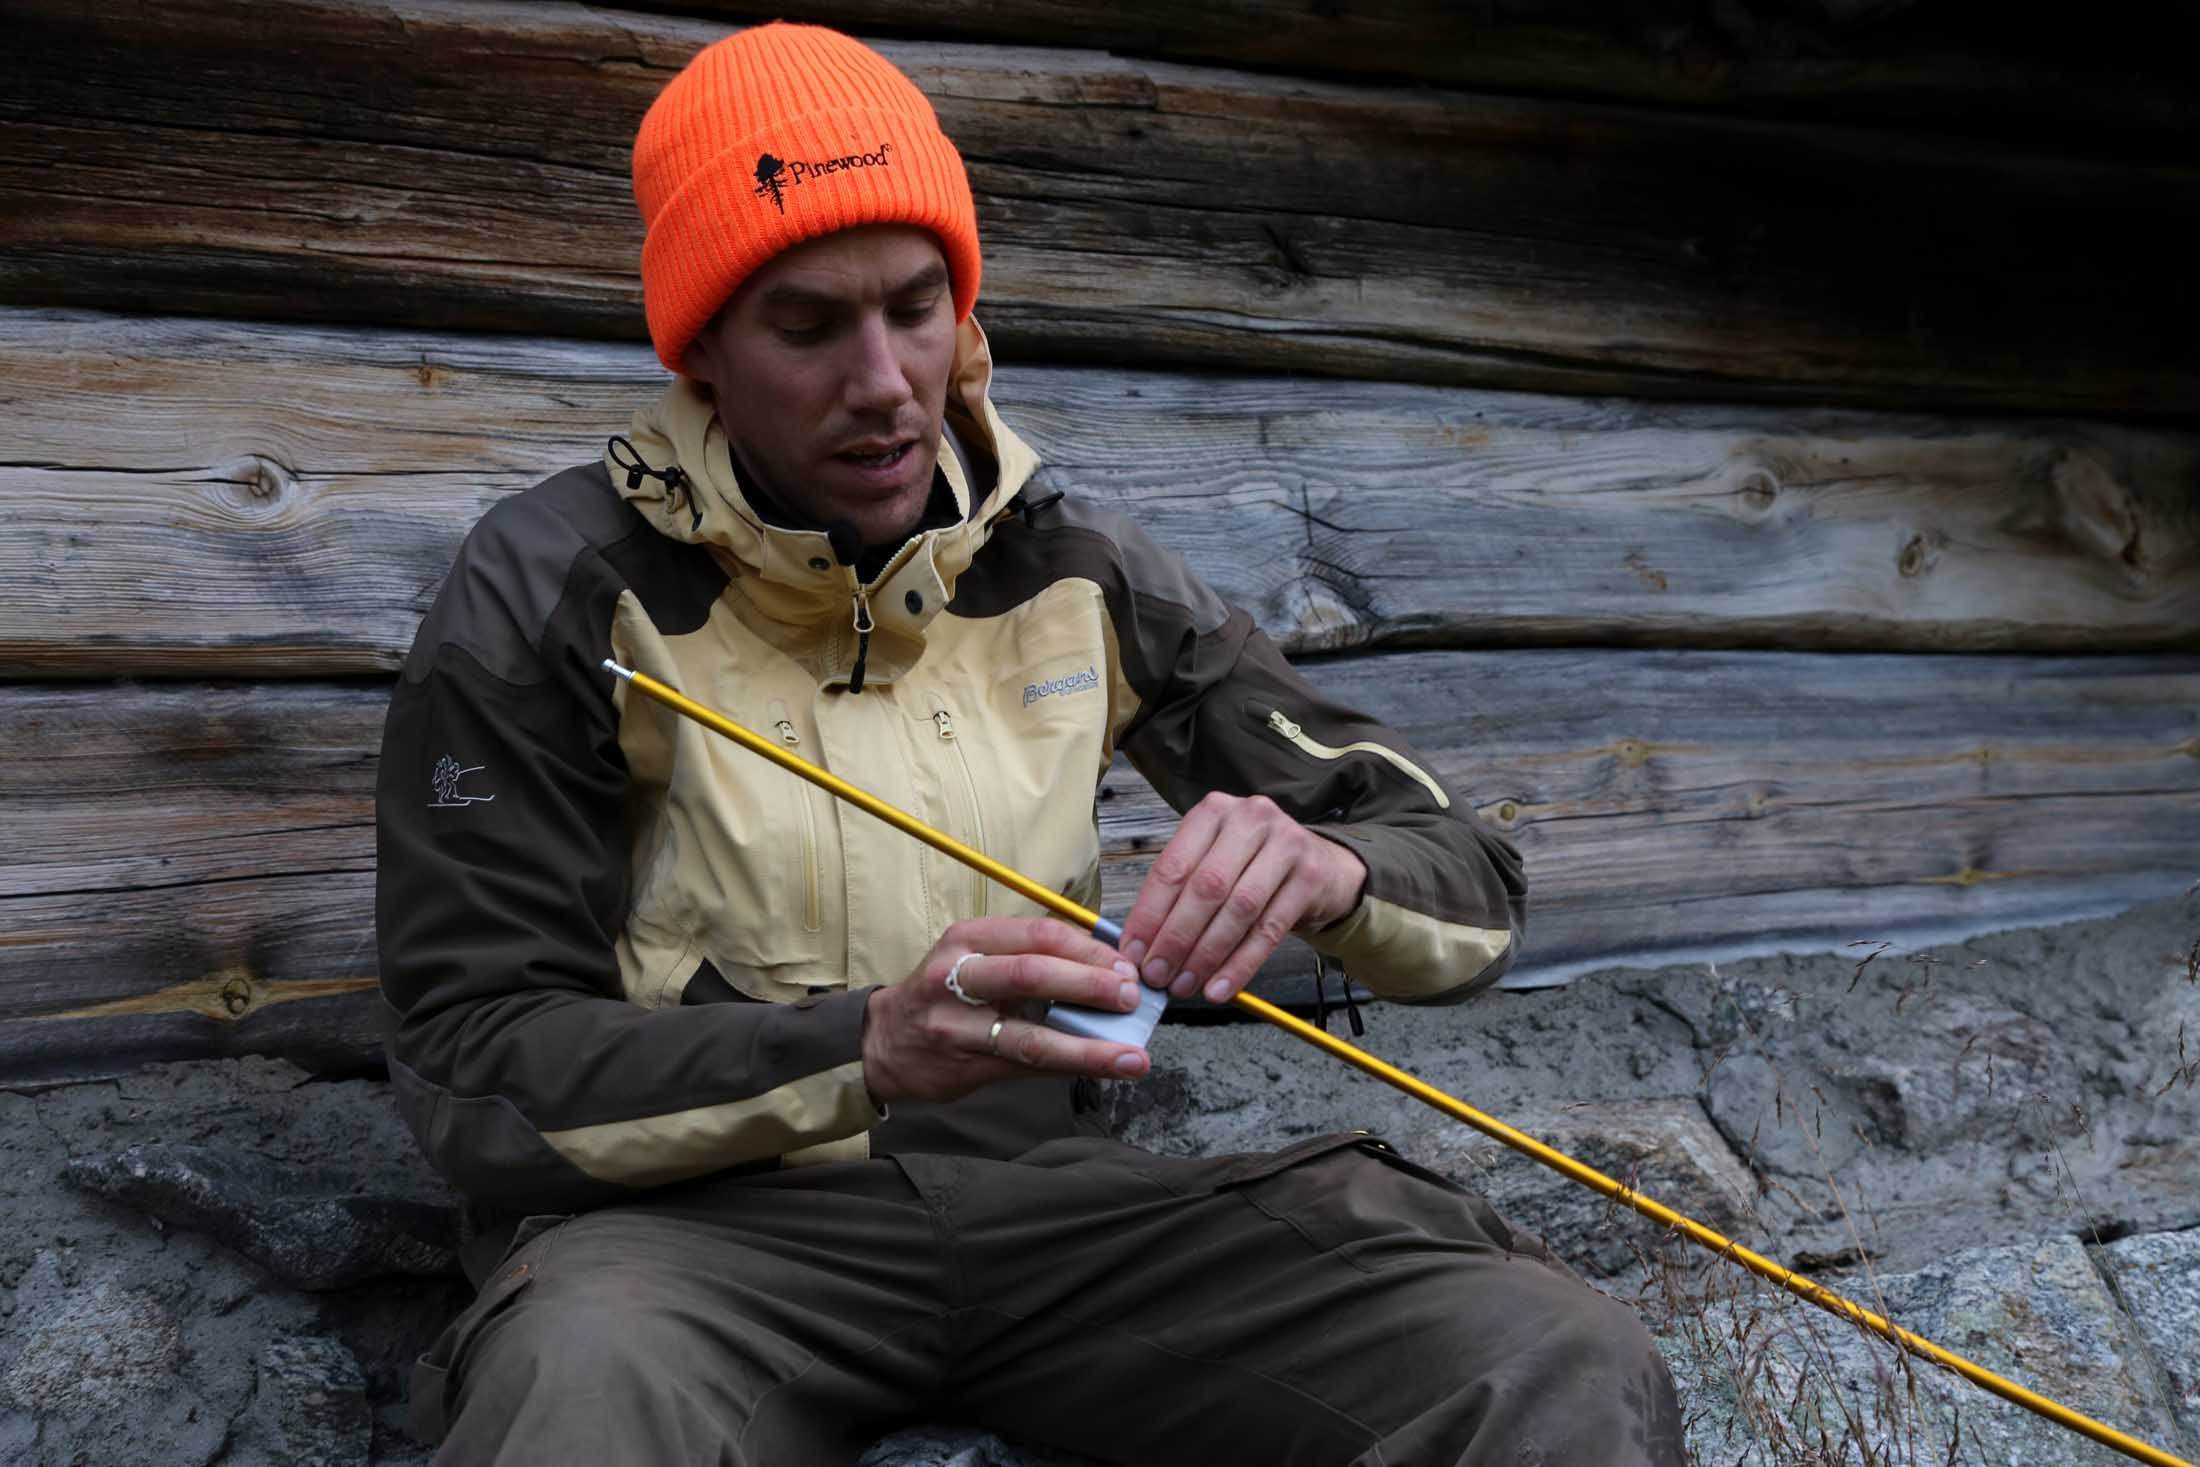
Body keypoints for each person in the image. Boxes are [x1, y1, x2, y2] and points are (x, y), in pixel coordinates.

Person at [375, 22, 1684, 1465]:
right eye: (808, 327)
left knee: (1551, 1357)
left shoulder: (1075, 564)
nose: (885, 380)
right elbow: (472, 1068)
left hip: (1067, 1224)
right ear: (704, 355)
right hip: (688, 1249)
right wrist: (863, 1048)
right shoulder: (557, 587)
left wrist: (1331, 872)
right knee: (578, 1399)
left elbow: (1473, 882)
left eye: (917, 307)